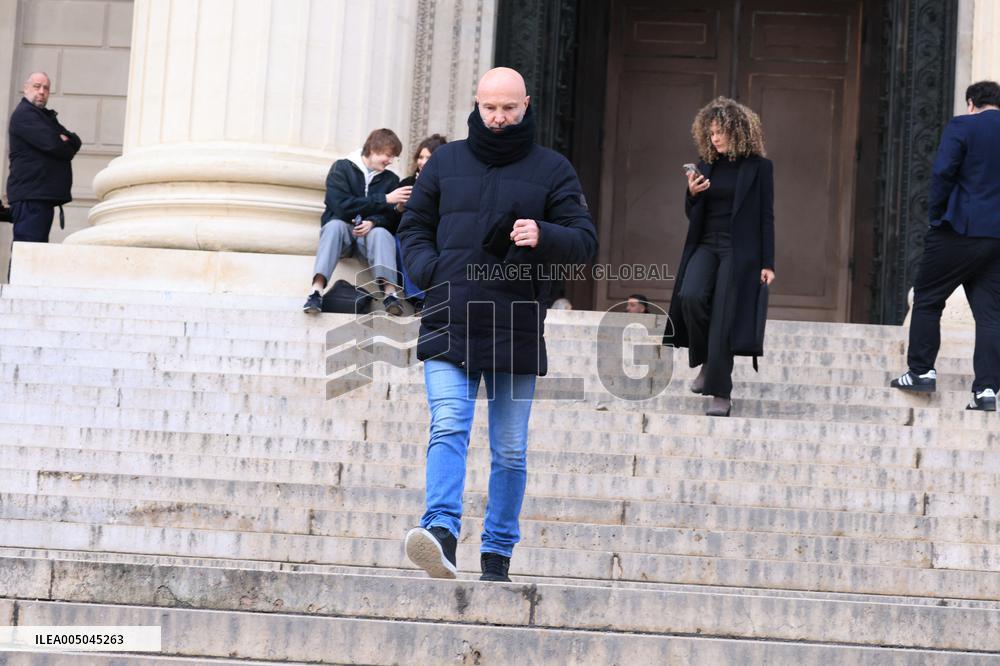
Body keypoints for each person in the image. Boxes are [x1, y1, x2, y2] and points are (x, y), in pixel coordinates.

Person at [397, 67, 597, 582]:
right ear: (477, 103)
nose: (499, 118)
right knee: (448, 425)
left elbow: (584, 243)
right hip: (450, 314)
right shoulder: (444, 161)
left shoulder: (554, 170)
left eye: (509, 108)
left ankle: (497, 553)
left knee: (509, 449)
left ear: (526, 105)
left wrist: (544, 232)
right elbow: (414, 227)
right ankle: (440, 531)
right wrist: (429, 273)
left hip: (515, 321)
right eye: (490, 108)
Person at [890, 81, 1000, 411]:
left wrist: (938, 215)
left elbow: (943, 173)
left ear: (971, 103)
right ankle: (987, 390)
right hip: (996, 237)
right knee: (991, 315)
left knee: (927, 298)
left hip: (959, 230)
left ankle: (921, 371)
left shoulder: (962, 125)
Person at [663, 97, 775, 417]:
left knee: (724, 316)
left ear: (738, 131)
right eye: (711, 132)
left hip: (740, 251)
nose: (715, 138)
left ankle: (720, 393)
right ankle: (707, 359)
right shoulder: (705, 163)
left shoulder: (760, 168)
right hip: (706, 245)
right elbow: (692, 213)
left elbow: (767, 216)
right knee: (691, 296)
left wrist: (768, 262)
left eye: (721, 132)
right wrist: (692, 193)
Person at [302, 128, 412, 315]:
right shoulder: (342, 168)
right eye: (388, 155)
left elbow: (391, 217)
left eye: (393, 157)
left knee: (382, 232)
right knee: (334, 225)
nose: (391, 161)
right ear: (374, 149)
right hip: (342, 236)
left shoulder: (391, 179)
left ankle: (390, 294)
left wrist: (374, 222)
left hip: (368, 241)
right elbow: (340, 206)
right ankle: (316, 291)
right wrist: (384, 199)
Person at [6, 72, 81, 243]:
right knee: (27, 256)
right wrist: (61, 141)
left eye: (46, 88)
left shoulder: (45, 117)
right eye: (37, 86)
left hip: (38, 197)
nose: (41, 91)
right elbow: (57, 147)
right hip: (31, 198)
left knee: (31, 255)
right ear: (26, 89)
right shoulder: (25, 114)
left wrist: (65, 140)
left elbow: (75, 141)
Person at [397, 134, 448, 306]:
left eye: (429, 157)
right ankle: (418, 297)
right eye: (420, 157)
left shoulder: (449, 184)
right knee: (405, 242)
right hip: (414, 234)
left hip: (440, 233)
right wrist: (397, 207)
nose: (423, 161)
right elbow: (392, 221)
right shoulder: (407, 183)